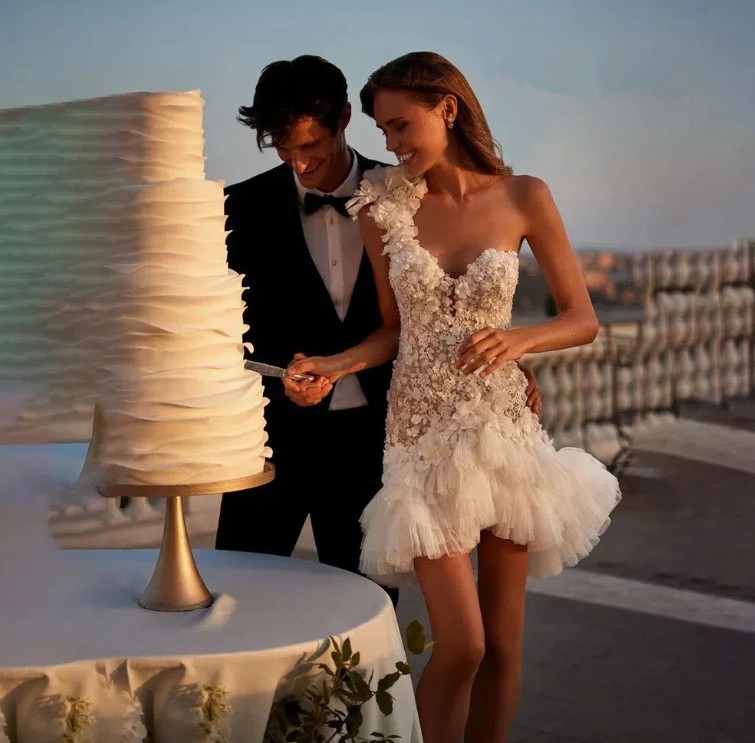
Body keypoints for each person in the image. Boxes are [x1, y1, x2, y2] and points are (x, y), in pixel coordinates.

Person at [289, 52, 621, 743]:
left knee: (501, 644)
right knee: (462, 643)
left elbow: (581, 318)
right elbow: (392, 330)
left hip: (503, 431)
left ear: (446, 107)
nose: (391, 145)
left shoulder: (524, 195)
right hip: (418, 439)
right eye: (383, 131)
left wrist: (518, 341)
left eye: (400, 125)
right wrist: (334, 364)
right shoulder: (383, 209)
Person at [214, 54, 546, 610]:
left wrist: (512, 360)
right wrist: (271, 374)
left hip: (375, 442)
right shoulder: (237, 208)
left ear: (345, 117)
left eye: (311, 147)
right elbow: (215, 331)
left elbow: (448, 299)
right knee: (235, 599)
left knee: (366, 613)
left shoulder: (405, 193)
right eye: (285, 151)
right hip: (268, 442)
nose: (300, 164)